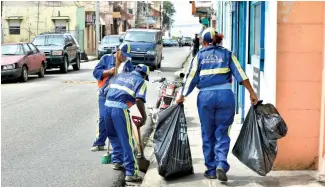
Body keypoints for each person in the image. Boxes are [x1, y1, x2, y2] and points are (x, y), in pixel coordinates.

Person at [176, 28, 258, 182]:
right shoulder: (227, 54)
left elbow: (191, 78)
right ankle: (221, 163)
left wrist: (182, 96)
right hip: (225, 97)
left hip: (205, 98)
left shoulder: (199, 56)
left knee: (207, 133)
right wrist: (252, 93)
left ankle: (212, 169)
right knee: (222, 132)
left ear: (204, 41)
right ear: (218, 40)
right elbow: (241, 74)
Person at [104, 64, 149, 182]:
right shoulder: (141, 81)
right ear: (144, 75)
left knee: (113, 136)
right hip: (119, 110)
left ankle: (117, 161)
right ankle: (131, 172)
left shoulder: (120, 75)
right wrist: (143, 117)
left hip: (107, 107)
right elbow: (139, 99)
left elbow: (105, 91)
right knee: (127, 140)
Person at [90, 42, 134, 152]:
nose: (124, 57)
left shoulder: (128, 64)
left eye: (126, 55)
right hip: (104, 94)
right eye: (122, 54)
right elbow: (96, 72)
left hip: (118, 97)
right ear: (117, 51)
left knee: (115, 121)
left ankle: (118, 150)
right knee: (103, 118)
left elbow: (131, 79)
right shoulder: (106, 59)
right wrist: (108, 72)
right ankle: (99, 142)